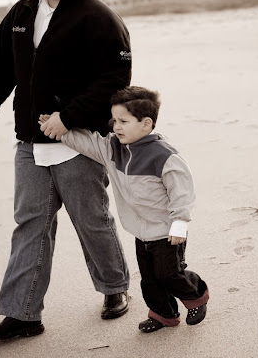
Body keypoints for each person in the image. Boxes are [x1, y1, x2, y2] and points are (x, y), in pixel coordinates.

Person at [0, 0, 132, 341]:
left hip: (78, 142)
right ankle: (23, 313)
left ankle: (115, 289)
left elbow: (115, 78)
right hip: (29, 142)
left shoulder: (97, 16)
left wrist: (67, 117)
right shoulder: (21, 13)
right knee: (30, 225)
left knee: (91, 220)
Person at [39, 86, 209, 333]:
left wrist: (180, 223)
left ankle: (196, 297)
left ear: (146, 123)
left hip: (167, 230)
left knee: (169, 274)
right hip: (141, 231)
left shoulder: (164, 155)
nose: (116, 126)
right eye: (114, 120)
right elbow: (88, 143)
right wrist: (60, 131)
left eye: (124, 121)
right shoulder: (113, 148)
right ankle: (164, 315)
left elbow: (182, 191)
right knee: (149, 280)